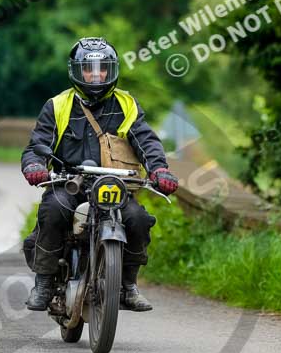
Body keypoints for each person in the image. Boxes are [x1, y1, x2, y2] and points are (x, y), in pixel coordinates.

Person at [21, 37, 179, 312]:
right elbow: (38, 144)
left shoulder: (126, 104)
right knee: (53, 210)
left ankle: (127, 285)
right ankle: (44, 282)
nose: (96, 75)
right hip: (69, 182)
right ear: (76, 71)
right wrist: (35, 165)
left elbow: (145, 140)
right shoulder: (58, 105)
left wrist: (159, 169)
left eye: (102, 68)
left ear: (112, 70)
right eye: (89, 69)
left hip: (114, 184)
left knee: (138, 219)